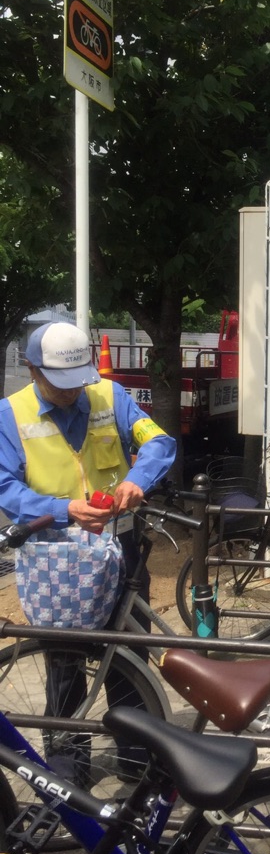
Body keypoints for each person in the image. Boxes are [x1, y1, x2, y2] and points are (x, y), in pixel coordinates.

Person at [0, 321, 176, 779]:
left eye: (78, 383)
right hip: (54, 555)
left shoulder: (110, 396)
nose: (71, 393)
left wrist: (138, 480)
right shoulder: (9, 414)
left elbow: (158, 440)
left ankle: (138, 765)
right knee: (64, 664)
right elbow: (5, 487)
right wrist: (64, 510)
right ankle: (67, 773)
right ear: (32, 370)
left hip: (120, 547)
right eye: (60, 384)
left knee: (129, 655)